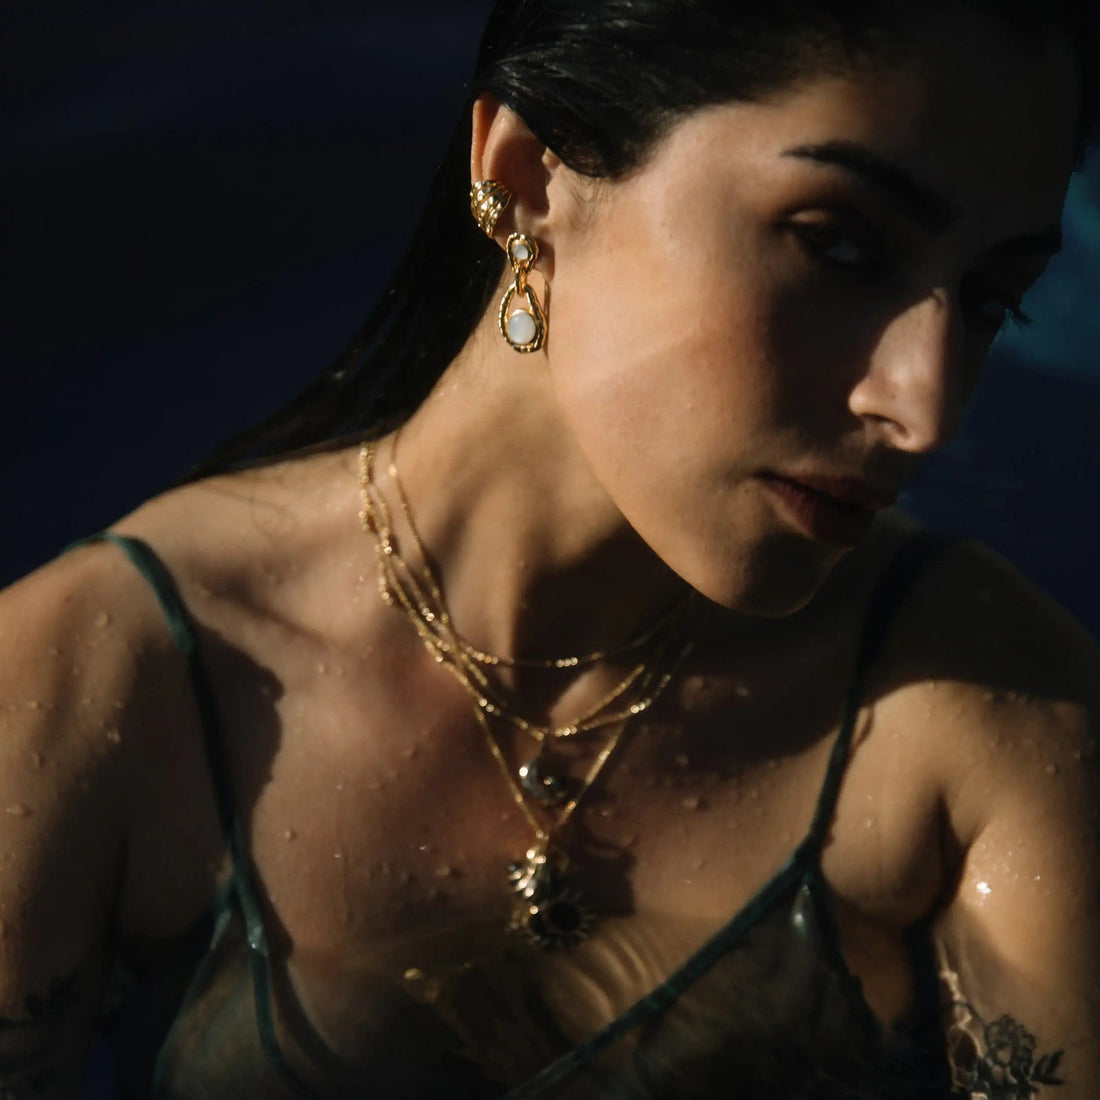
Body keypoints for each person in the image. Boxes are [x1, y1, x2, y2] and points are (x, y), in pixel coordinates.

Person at [1, 0, 1097, 1096]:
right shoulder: (105, 681)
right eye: (837, 243)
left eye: (990, 299)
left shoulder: (977, 712)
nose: (924, 407)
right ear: (527, 179)